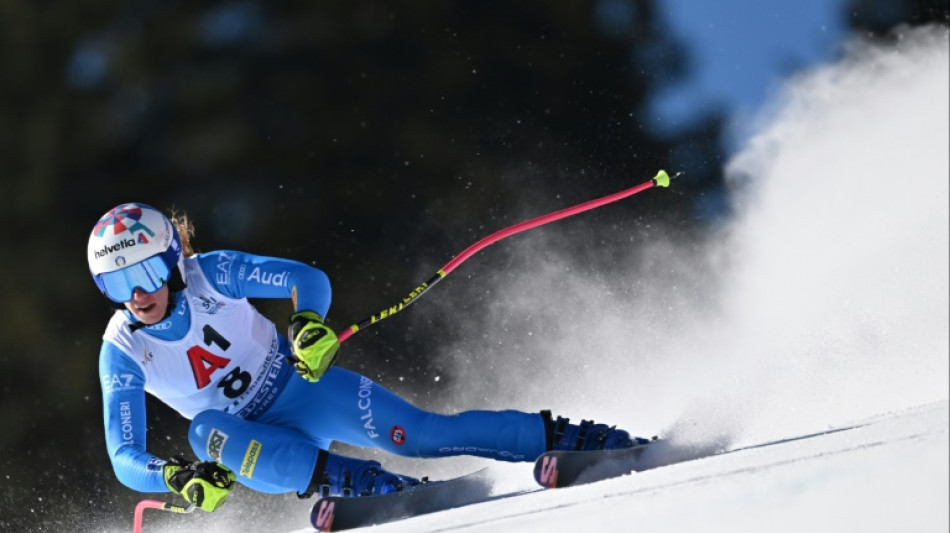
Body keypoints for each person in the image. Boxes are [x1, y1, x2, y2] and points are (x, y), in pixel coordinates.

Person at [89, 202, 647, 512]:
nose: (137, 296)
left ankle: (576, 439)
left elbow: (305, 279)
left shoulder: (210, 271)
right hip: (258, 448)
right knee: (202, 431)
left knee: (424, 435)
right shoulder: (122, 348)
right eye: (117, 285)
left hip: (303, 389)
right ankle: (364, 485)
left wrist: (308, 324)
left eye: (143, 273)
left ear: (168, 260)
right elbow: (124, 454)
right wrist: (179, 477)